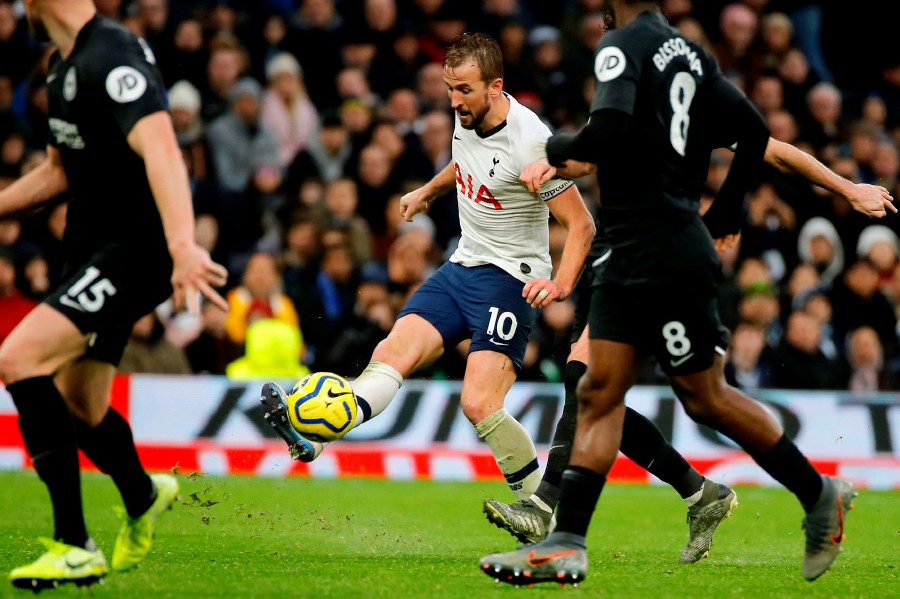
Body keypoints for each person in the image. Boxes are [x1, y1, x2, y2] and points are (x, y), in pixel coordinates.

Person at [478, 0, 892, 586]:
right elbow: (752, 133)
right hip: (638, 247)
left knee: (705, 398)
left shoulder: (622, 48)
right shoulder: (691, 58)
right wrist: (732, 206)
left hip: (659, 249)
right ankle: (564, 541)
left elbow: (616, 133)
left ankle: (815, 489)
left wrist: (549, 149)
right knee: (596, 390)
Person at [261, 32, 595, 509]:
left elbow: (581, 223)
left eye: (464, 89)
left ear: (495, 86)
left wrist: (561, 284)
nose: (454, 100)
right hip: (462, 265)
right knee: (390, 353)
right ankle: (315, 437)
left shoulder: (531, 142)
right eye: (448, 87)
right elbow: (466, 162)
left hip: (510, 279)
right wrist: (428, 191)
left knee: (479, 403)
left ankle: (539, 509)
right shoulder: (467, 116)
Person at [0, 0, 228, 590]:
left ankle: (75, 544)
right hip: (92, 251)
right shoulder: (60, 66)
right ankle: (142, 492)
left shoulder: (113, 51)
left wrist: (182, 245)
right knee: (82, 404)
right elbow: (58, 172)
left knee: (19, 358)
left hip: (136, 249)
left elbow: (163, 150)